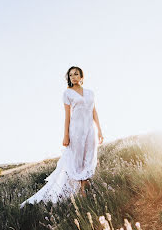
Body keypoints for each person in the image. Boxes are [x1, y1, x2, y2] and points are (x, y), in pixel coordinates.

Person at [20, 66, 104, 208]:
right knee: (76, 161)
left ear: (82, 77)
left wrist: (100, 131)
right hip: (75, 131)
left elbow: (94, 112)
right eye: (71, 75)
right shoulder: (67, 93)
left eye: (76, 74)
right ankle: (81, 191)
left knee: (89, 158)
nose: (73, 77)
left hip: (90, 130)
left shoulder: (90, 93)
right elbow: (67, 117)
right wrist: (66, 135)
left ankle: (84, 188)